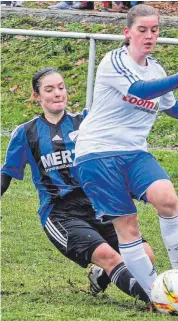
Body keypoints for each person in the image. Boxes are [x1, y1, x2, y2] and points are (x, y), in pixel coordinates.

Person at [74, 4, 178, 317]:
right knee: (128, 226)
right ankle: (158, 297)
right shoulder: (114, 61)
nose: (149, 35)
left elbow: (169, 105)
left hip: (133, 152)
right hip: (96, 153)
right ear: (127, 32)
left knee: (167, 199)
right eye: (142, 30)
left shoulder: (156, 69)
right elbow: (140, 90)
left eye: (154, 30)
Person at [1, 66, 158, 308]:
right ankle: (157, 300)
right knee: (109, 256)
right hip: (60, 213)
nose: (57, 94)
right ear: (37, 96)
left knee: (146, 255)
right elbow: (5, 176)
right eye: (49, 89)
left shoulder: (86, 122)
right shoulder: (26, 133)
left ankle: (102, 276)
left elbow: (113, 155)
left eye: (61, 88)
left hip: (98, 205)